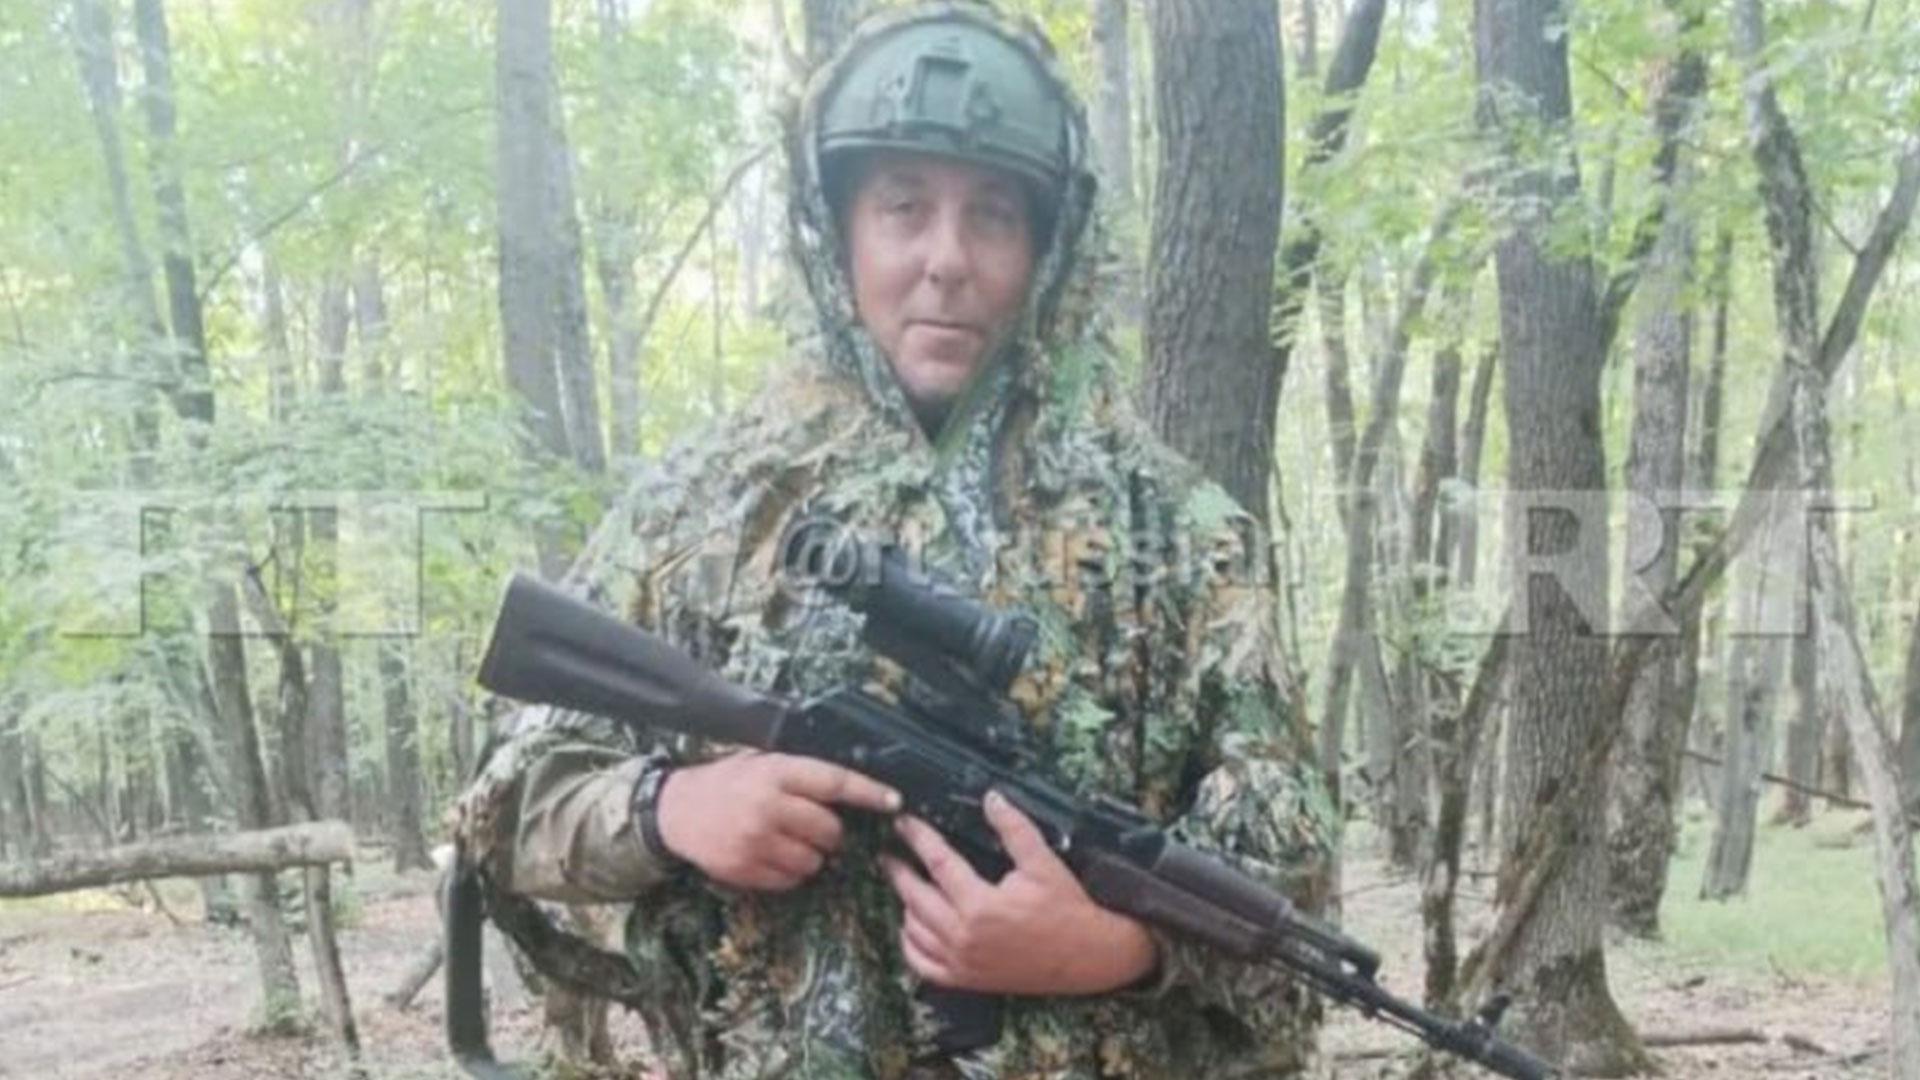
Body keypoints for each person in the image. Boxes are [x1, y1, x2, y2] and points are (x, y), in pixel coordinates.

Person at [453, 3, 1334, 1077]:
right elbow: (509, 805)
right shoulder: (703, 509)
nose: (946, 260)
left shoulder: (1178, 533)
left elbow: (1293, 903)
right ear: (838, 228)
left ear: (1049, 245)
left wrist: (1118, 949)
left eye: (993, 215)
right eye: (903, 207)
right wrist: (671, 807)